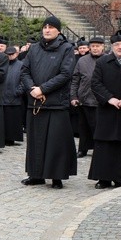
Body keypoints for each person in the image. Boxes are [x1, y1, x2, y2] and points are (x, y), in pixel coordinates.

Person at [20, 16, 77, 189]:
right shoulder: (35, 48)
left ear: (58, 31)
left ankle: (56, 176)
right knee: (35, 141)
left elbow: (65, 74)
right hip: (35, 102)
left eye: (51, 27)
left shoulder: (66, 49)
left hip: (55, 103)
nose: (47, 29)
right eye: (44, 27)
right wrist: (31, 88)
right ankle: (36, 174)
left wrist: (43, 89)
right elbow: (24, 71)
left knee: (55, 142)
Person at [88, 31, 121, 189]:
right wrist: (110, 99)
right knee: (104, 144)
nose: (120, 47)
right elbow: (95, 83)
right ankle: (103, 178)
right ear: (112, 46)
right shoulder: (102, 62)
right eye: (117, 45)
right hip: (107, 109)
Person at [70, 36, 105, 158]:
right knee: (83, 126)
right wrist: (73, 96)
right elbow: (75, 79)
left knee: (99, 127)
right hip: (83, 99)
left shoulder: (107, 60)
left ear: (103, 47)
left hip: (100, 100)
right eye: (93, 46)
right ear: (89, 48)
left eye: (98, 46)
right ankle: (83, 149)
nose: (95, 49)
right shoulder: (82, 61)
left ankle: (99, 149)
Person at [2, 46, 25, 145]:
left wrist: (18, 91)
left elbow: (24, 79)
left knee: (13, 119)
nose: (10, 56)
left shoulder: (21, 65)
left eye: (12, 54)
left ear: (16, 54)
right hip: (3, 95)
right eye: (8, 54)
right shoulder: (3, 64)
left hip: (15, 96)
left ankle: (12, 138)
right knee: (4, 119)